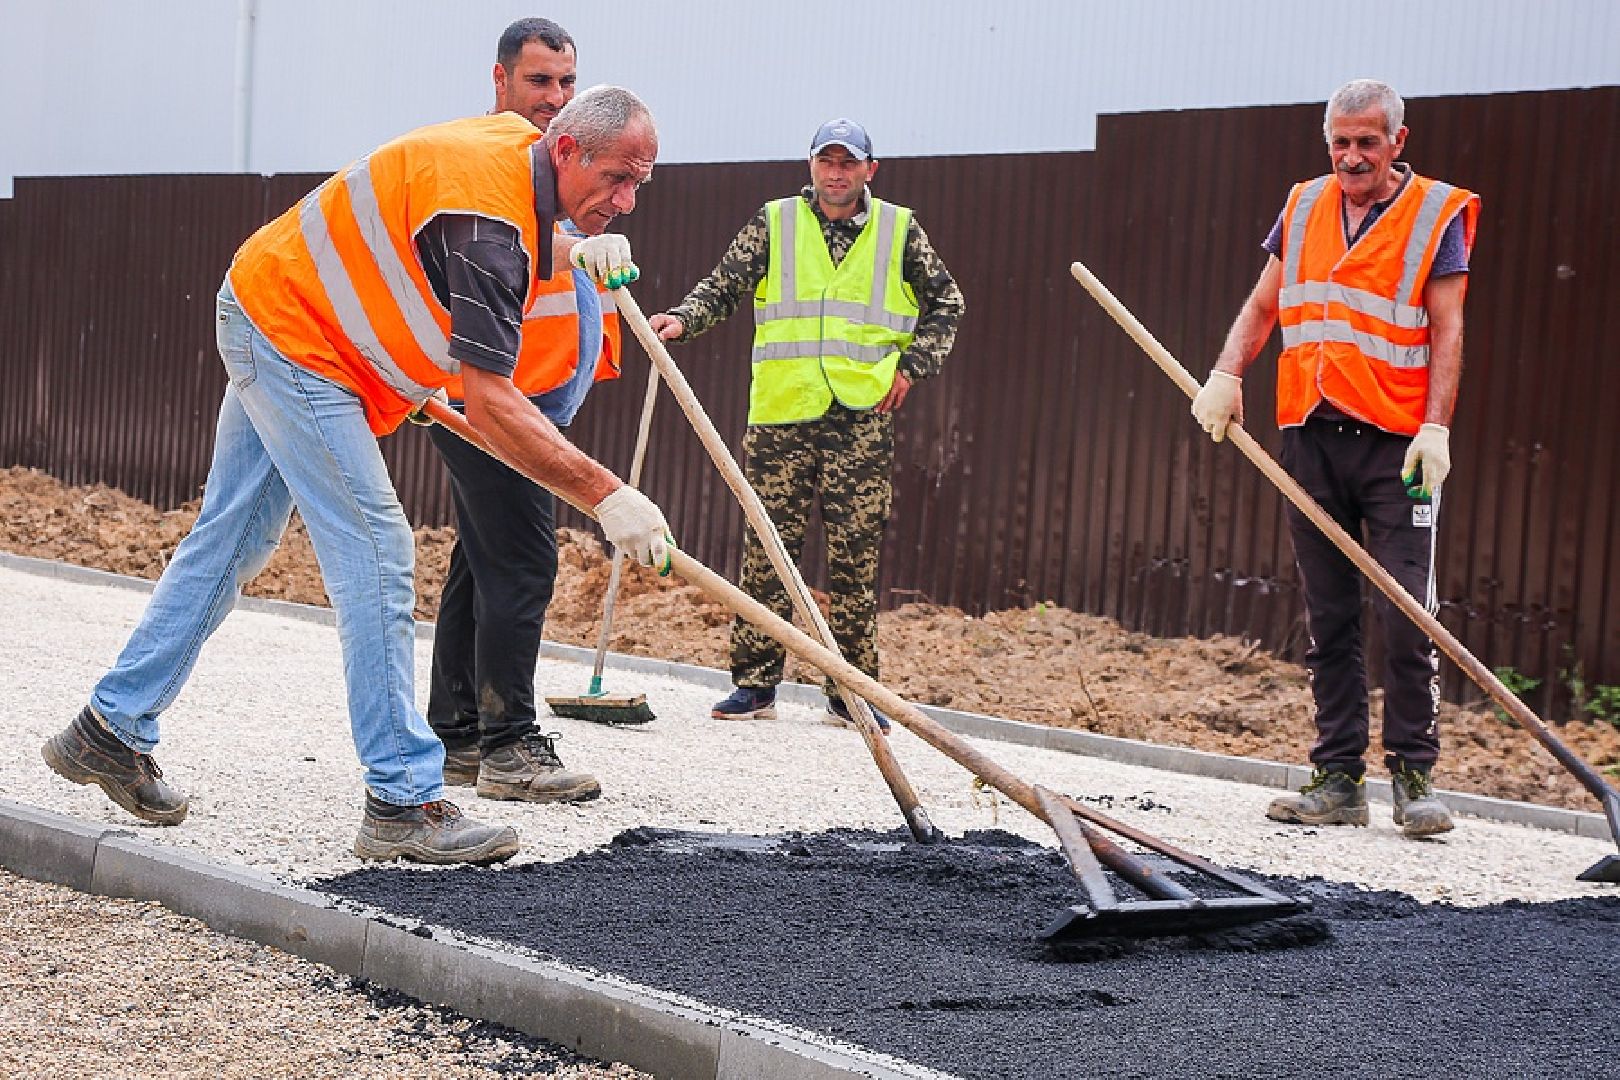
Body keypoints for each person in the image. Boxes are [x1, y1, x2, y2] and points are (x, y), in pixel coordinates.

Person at [40, 86, 671, 865]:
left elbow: (464, 239)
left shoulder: (514, 146)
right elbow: (492, 401)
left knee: (232, 540)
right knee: (377, 550)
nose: (629, 199)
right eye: (617, 178)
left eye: (641, 181)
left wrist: (572, 247)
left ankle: (108, 730)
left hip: (278, 303)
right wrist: (607, 496)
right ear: (568, 150)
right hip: (299, 342)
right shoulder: (488, 224)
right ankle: (402, 801)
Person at [1191, 79, 1478, 838]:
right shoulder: (1306, 204)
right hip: (1311, 438)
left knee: (1407, 612)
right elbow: (1265, 304)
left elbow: (1447, 330)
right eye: (1340, 143)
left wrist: (1436, 427)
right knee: (1330, 616)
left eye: (1367, 142)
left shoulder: (1434, 215)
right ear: (1328, 142)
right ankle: (1337, 779)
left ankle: (1414, 778)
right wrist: (1228, 374)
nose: (1352, 157)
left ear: (1397, 142)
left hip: (1398, 448)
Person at [649, 118, 963, 730]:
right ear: (812, 165)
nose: (837, 172)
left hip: (862, 418)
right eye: (828, 161)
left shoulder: (899, 230)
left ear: (870, 170)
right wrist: (682, 320)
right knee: (768, 551)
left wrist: (913, 367)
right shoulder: (775, 222)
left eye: (849, 163)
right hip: (781, 416)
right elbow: (724, 286)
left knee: (854, 556)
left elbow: (947, 300)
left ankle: (851, 691)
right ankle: (756, 683)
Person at [425, 18, 623, 806]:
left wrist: (587, 248)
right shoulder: (491, 166)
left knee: (480, 563)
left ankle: (458, 735)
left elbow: (544, 257)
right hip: (488, 398)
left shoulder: (558, 164)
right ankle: (509, 746)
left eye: (568, 82)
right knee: (523, 560)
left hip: (534, 399)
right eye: (541, 81)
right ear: (501, 80)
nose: (557, 97)